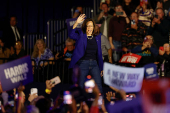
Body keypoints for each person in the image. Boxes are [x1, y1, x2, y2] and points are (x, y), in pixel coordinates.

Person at [68, 14, 103, 94]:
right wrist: (76, 22)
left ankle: (100, 104)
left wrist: (101, 67)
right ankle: (80, 104)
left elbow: (99, 54)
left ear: (94, 27)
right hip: (83, 63)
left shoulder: (97, 37)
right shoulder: (81, 36)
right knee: (80, 85)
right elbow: (71, 34)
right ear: (85, 27)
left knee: (98, 86)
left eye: (91, 26)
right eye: (87, 26)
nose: (89, 28)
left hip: (94, 64)